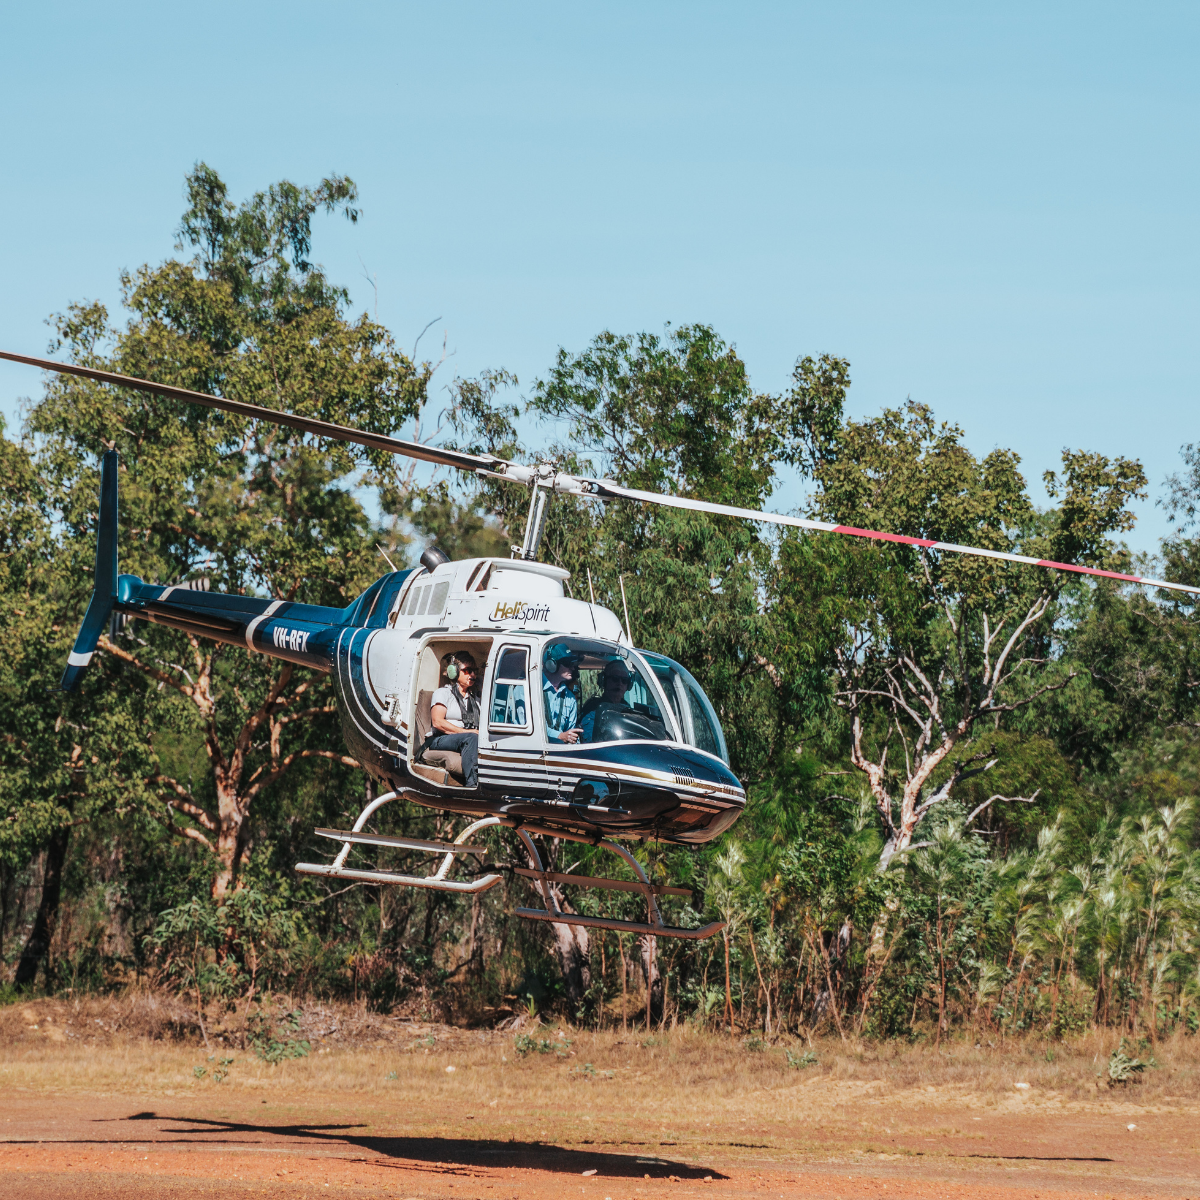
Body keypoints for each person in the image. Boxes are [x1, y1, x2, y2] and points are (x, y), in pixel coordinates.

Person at [427, 651, 481, 786]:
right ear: (454, 672)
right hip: (440, 739)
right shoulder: (443, 693)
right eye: (467, 671)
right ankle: (472, 785)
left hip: (467, 739)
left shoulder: (477, 700)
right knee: (471, 738)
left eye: (474, 671)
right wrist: (468, 733)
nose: (472, 675)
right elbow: (438, 722)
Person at [581, 658, 634, 742]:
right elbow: (590, 741)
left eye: (624, 680)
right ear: (604, 681)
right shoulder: (592, 708)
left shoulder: (627, 709)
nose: (619, 683)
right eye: (615, 678)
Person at [542, 642, 582, 744]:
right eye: (568, 664)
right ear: (552, 665)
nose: (572, 668)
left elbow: (570, 732)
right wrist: (559, 736)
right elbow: (532, 728)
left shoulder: (570, 697)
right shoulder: (530, 689)